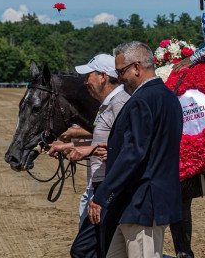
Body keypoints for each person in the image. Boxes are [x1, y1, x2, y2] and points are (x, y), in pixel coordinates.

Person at [89, 41, 183, 258]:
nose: (119, 78)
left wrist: (102, 194)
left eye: (121, 71)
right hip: (137, 206)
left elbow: (134, 153)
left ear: (137, 67)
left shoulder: (143, 100)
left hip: (143, 203)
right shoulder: (168, 97)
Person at [64, 53, 130, 258]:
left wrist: (90, 150)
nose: (85, 82)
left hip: (109, 189)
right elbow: (104, 140)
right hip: (101, 187)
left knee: (84, 250)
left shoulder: (120, 103)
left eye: (89, 75)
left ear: (103, 76)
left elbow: (128, 145)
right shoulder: (109, 104)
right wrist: (70, 146)